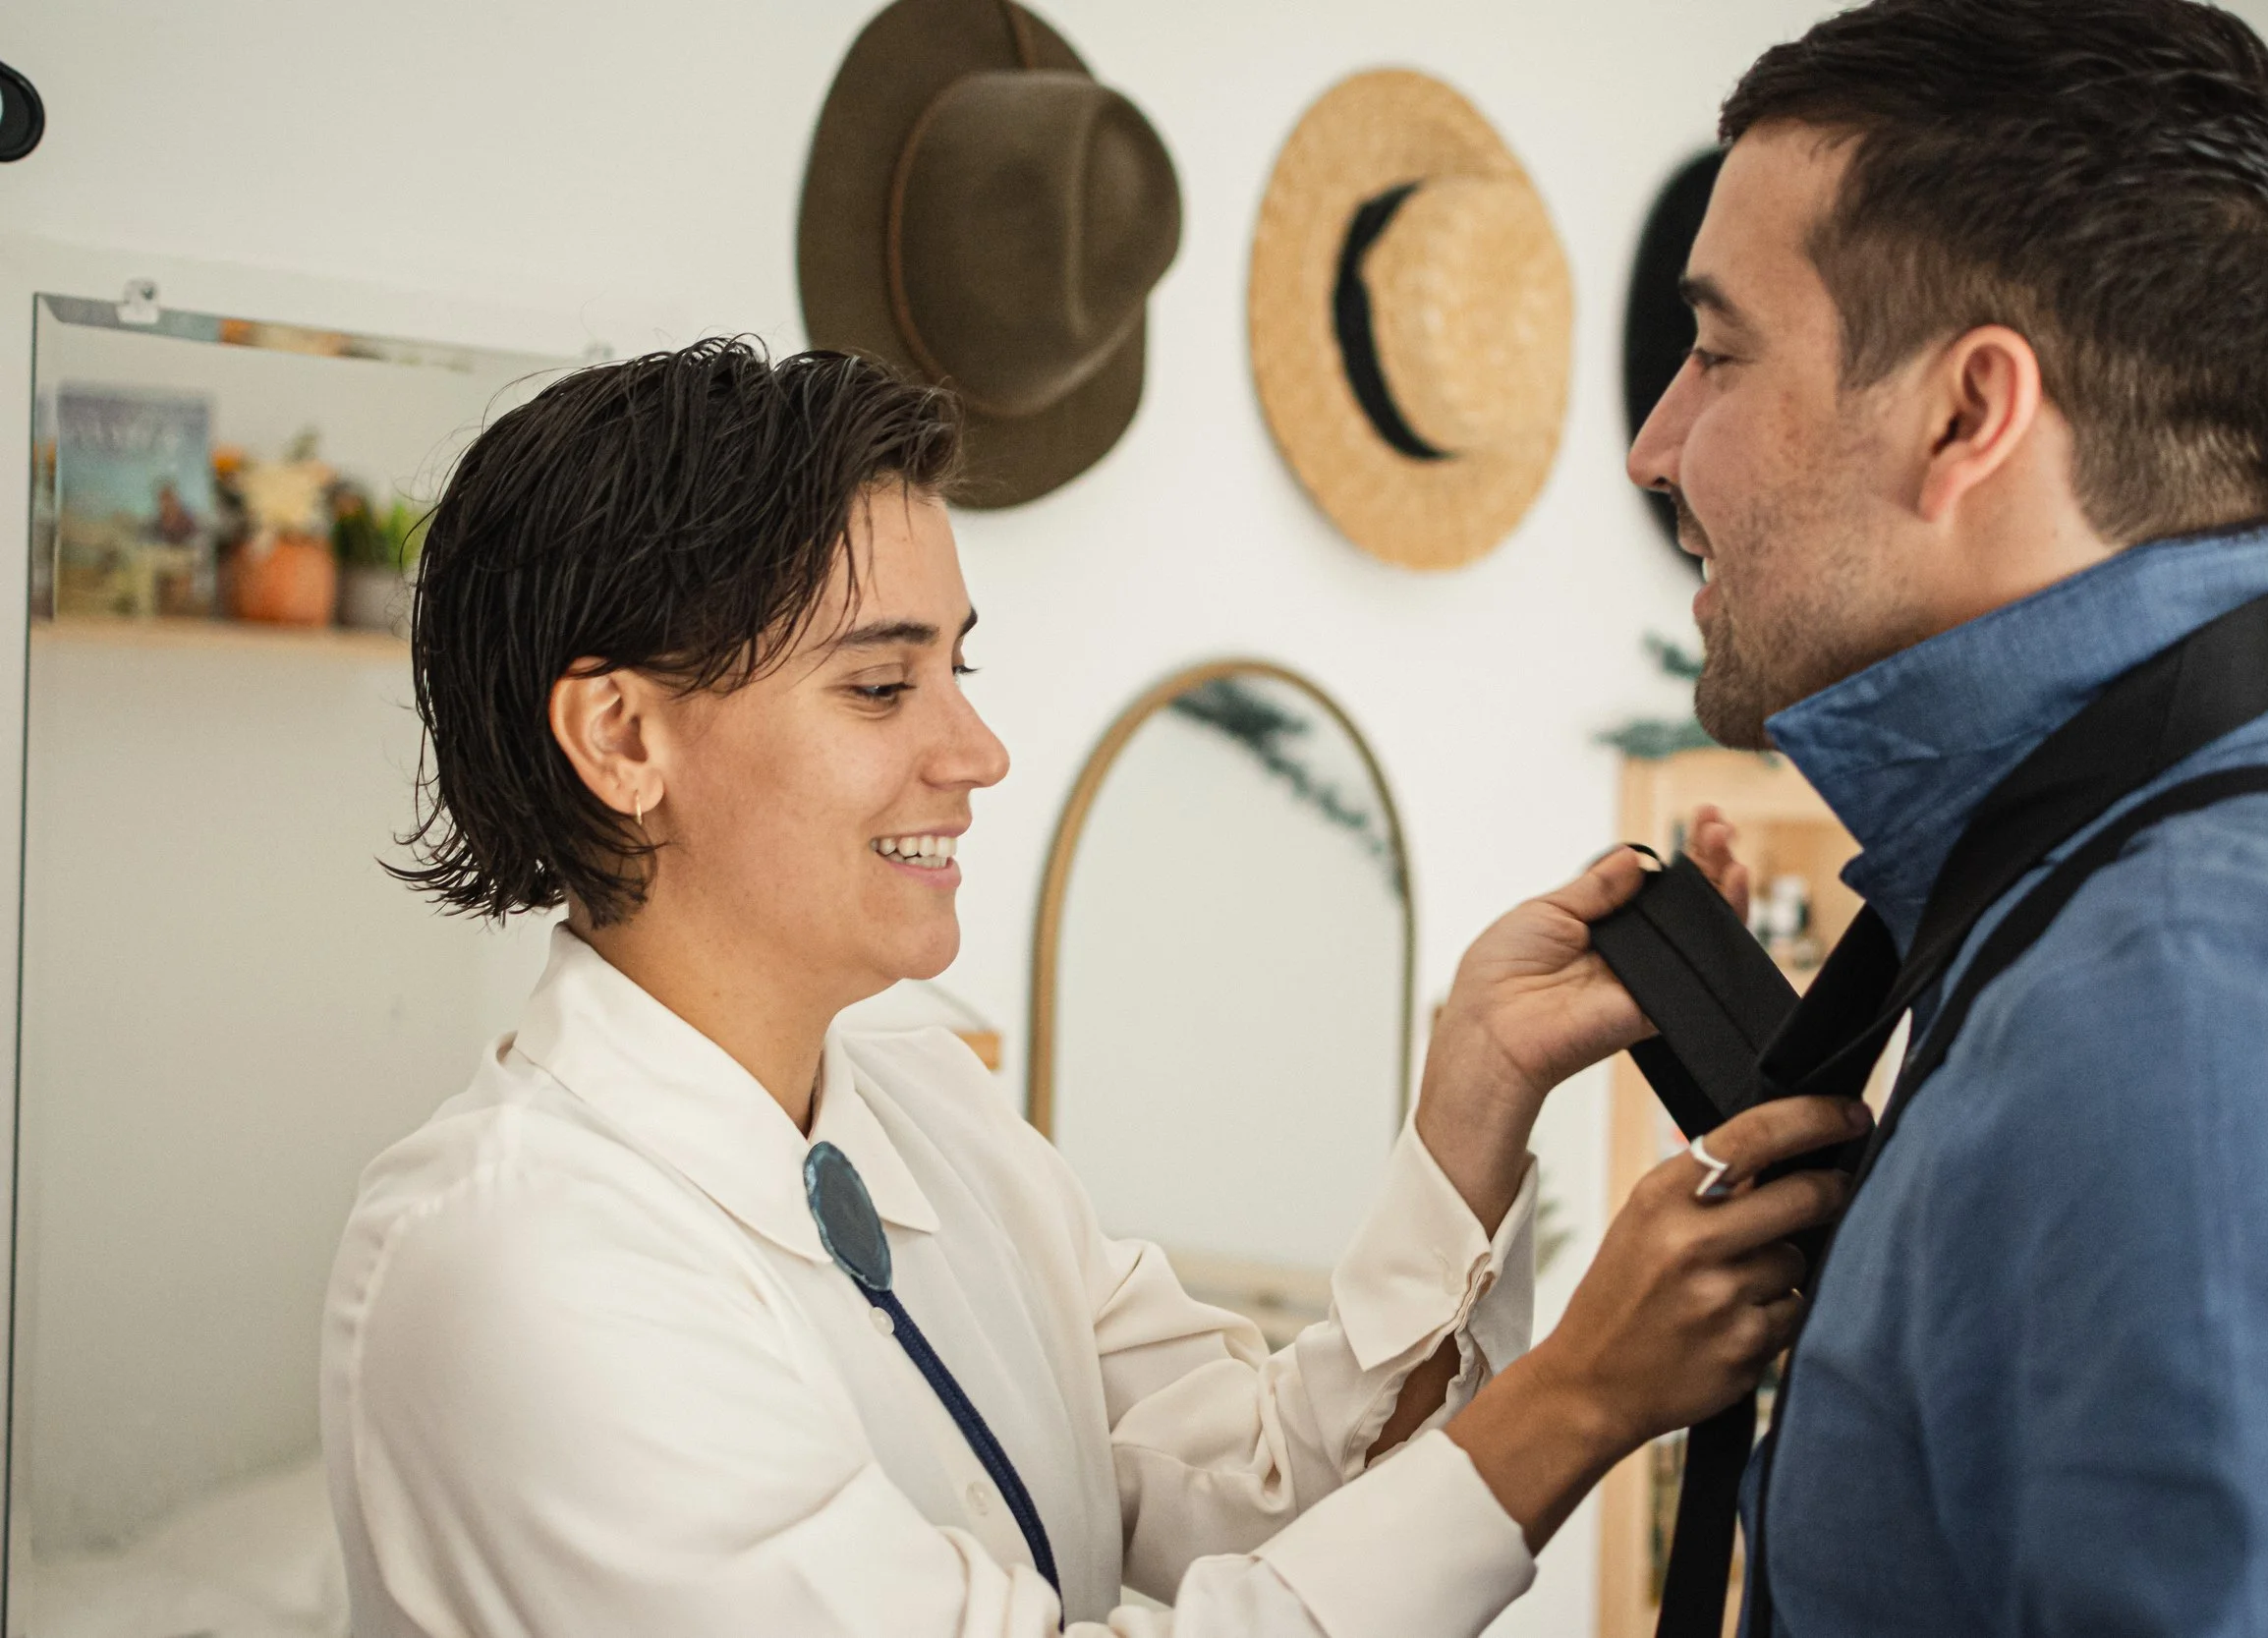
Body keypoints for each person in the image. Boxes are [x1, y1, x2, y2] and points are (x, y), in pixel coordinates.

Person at [320, 340, 1866, 1638]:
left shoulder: (929, 1108)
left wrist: (1479, 1084)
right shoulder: (518, 1263)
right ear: (621, 737)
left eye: (960, 669)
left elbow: (1264, 1493)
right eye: (880, 684)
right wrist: (1576, 1399)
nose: (978, 751)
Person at [1628, 0, 2268, 1633]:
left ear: (1965, 415)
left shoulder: (2197, 1009)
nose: (1658, 444)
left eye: (1718, 351)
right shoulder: (2144, 941)